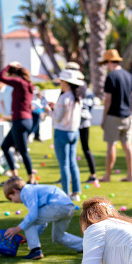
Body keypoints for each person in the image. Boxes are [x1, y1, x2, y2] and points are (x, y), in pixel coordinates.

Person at [3, 176, 83, 260]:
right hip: (68, 206)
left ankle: (35, 251)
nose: (14, 202)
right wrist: (30, 238)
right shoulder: (31, 189)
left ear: (15, 191)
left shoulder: (26, 191)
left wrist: (17, 229)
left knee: (29, 220)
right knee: (58, 237)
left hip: (57, 205)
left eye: (11, 198)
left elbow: (32, 217)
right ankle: (85, 246)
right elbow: (43, 223)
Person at [99, 49, 132, 183]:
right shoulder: (128, 76)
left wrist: (104, 118)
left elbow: (108, 99)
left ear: (110, 62)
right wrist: (131, 115)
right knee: (128, 146)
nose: (106, 66)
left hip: (114, 116)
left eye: (106, 63)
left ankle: (107, 176)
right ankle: (131, 176)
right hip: (127, 116)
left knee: (111, 145)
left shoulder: (111, 77)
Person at [0, 62, 36, 184]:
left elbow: (0, 77)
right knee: (5, 146)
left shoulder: (19, 83)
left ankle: (31, 179)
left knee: (23, 151)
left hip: (20, 121)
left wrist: (8, 65)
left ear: (15, 74)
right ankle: (15, 176)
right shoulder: (29, 85)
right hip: (26, 120)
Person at [49, 69, 84, 201]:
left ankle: (65, 193)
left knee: (64, 164)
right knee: (72, 162)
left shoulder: (64, 97)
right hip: (74, 132)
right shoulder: (77, 98)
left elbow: (57, 118)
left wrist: (48, 111)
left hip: (62, 132)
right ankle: (76, 192)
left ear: (66, 82)